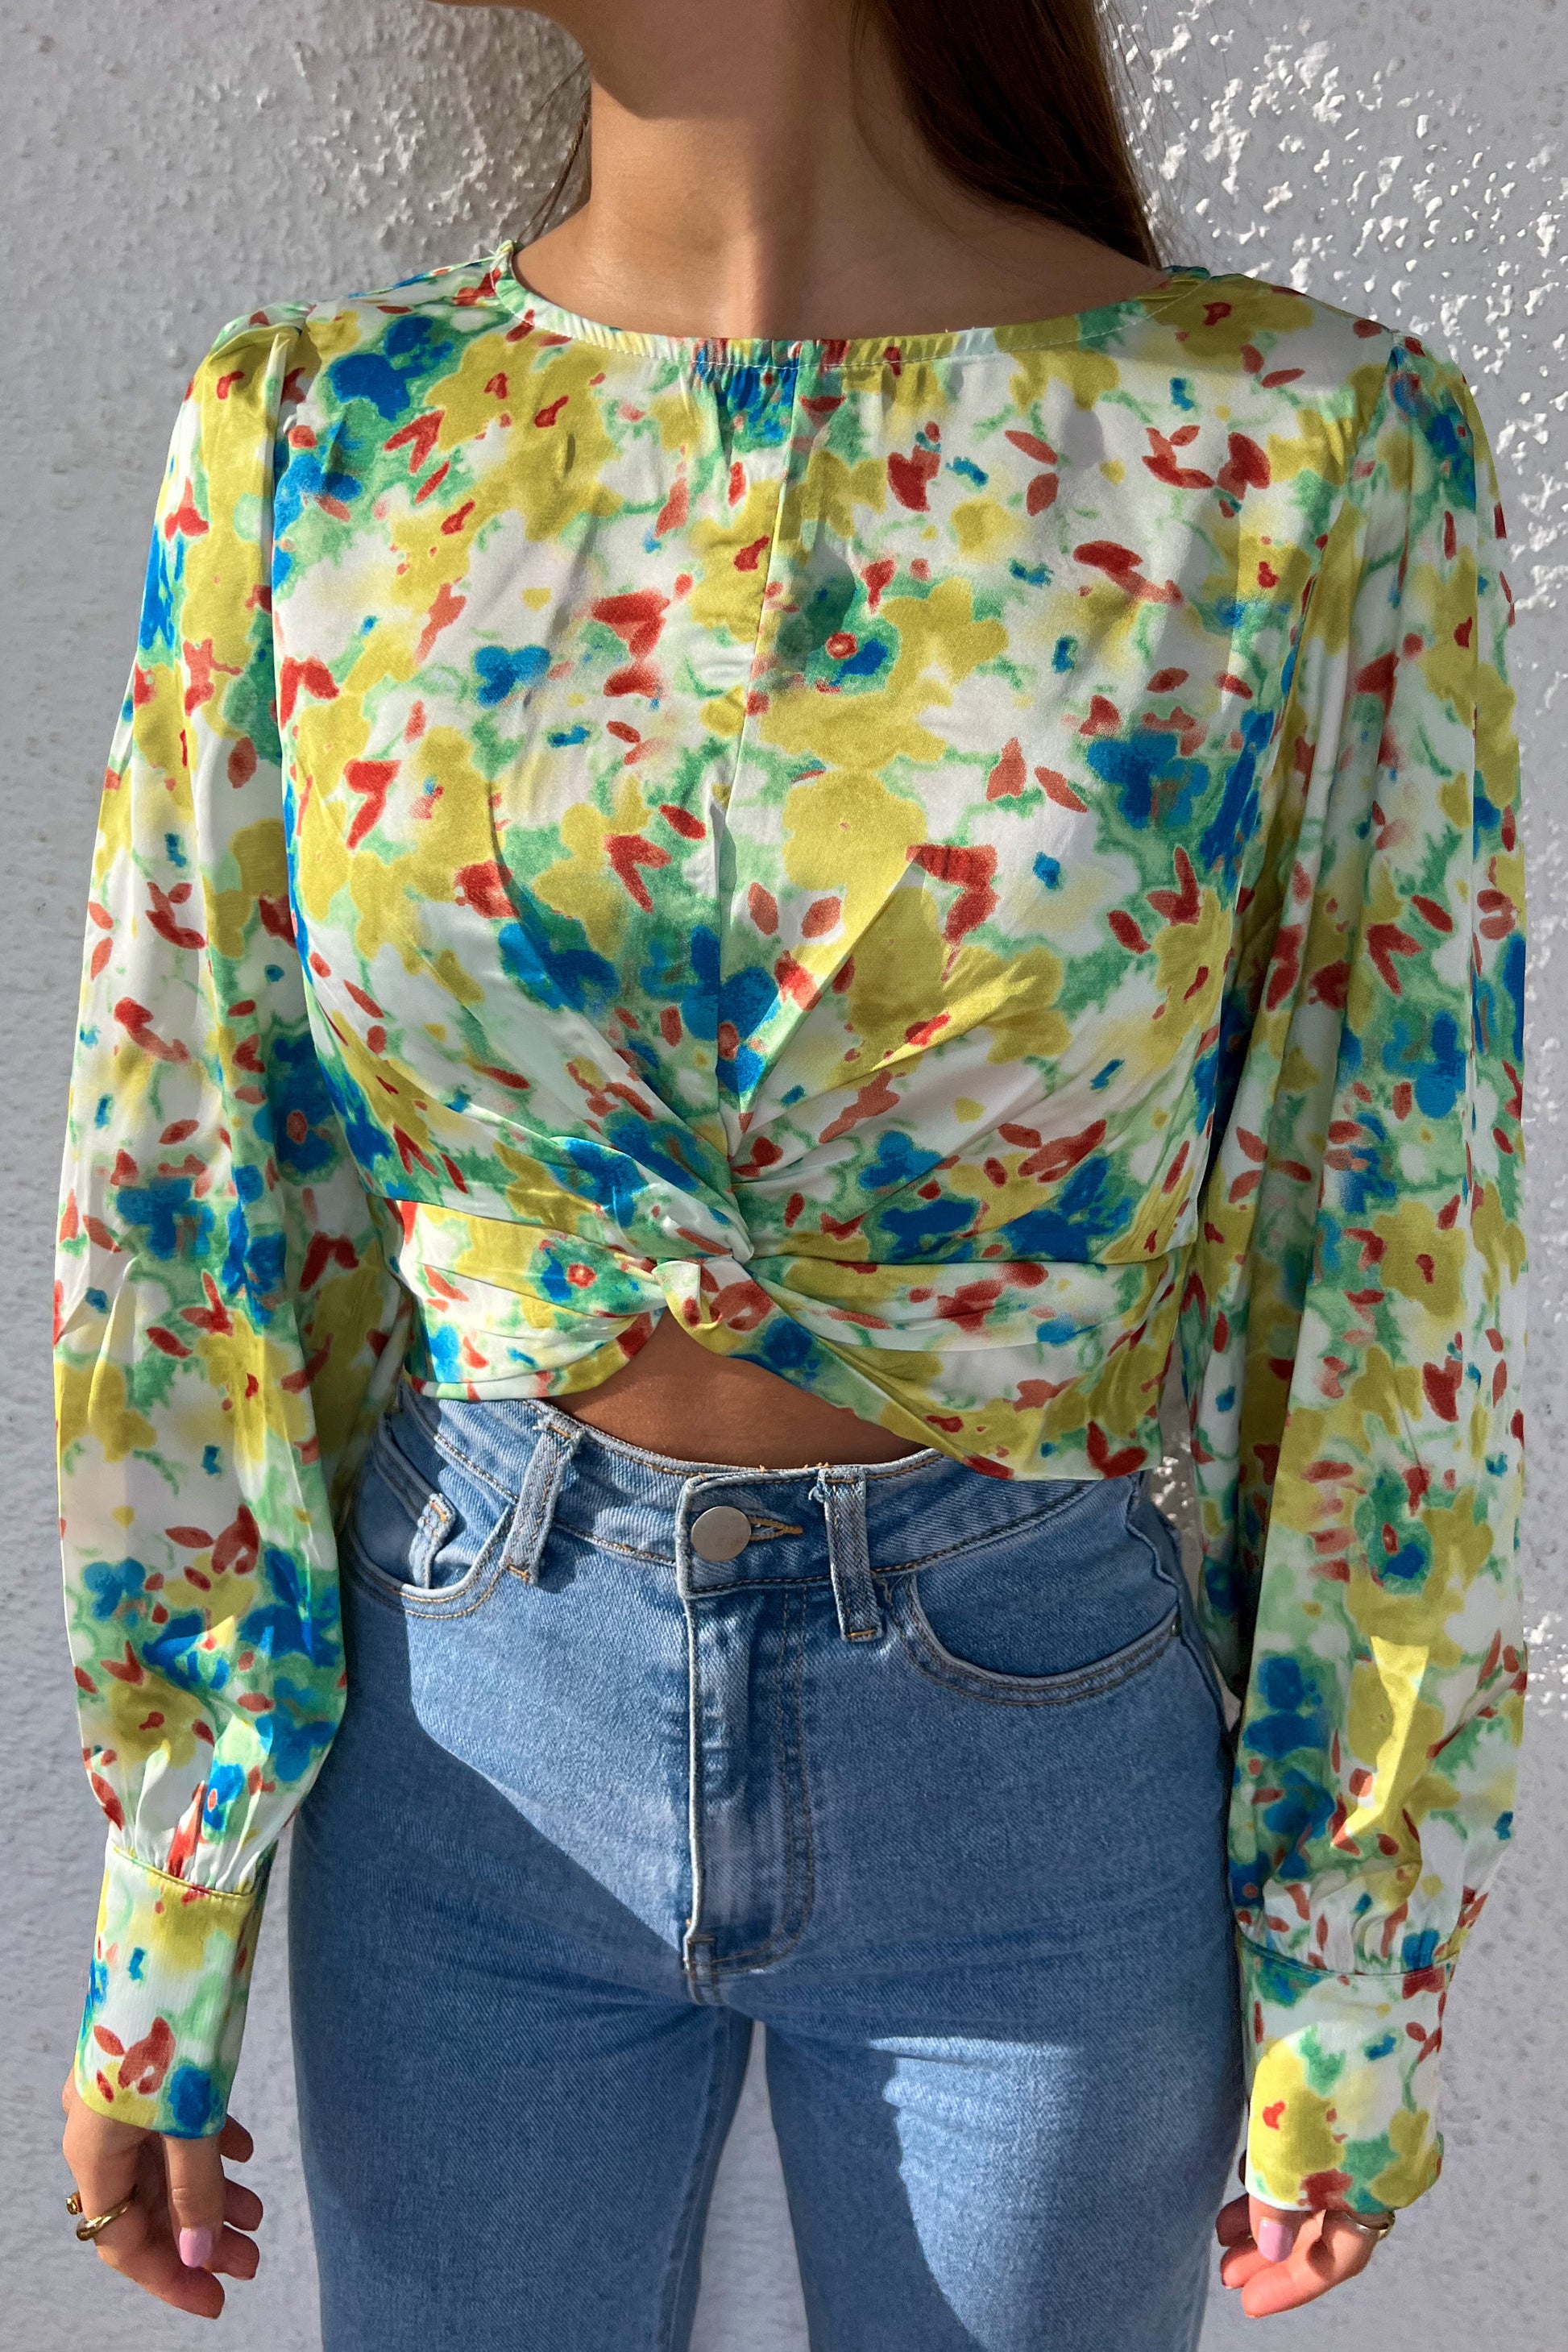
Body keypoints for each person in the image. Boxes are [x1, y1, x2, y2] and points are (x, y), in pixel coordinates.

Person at [54, 0, 1528, 2343]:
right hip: (468, 1722)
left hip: (1030, 1741)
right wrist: (170, 1904)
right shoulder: (319, 435)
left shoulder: (1290, 449)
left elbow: (1387, 1222)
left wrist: (1351, 1965)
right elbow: (195, 1168)